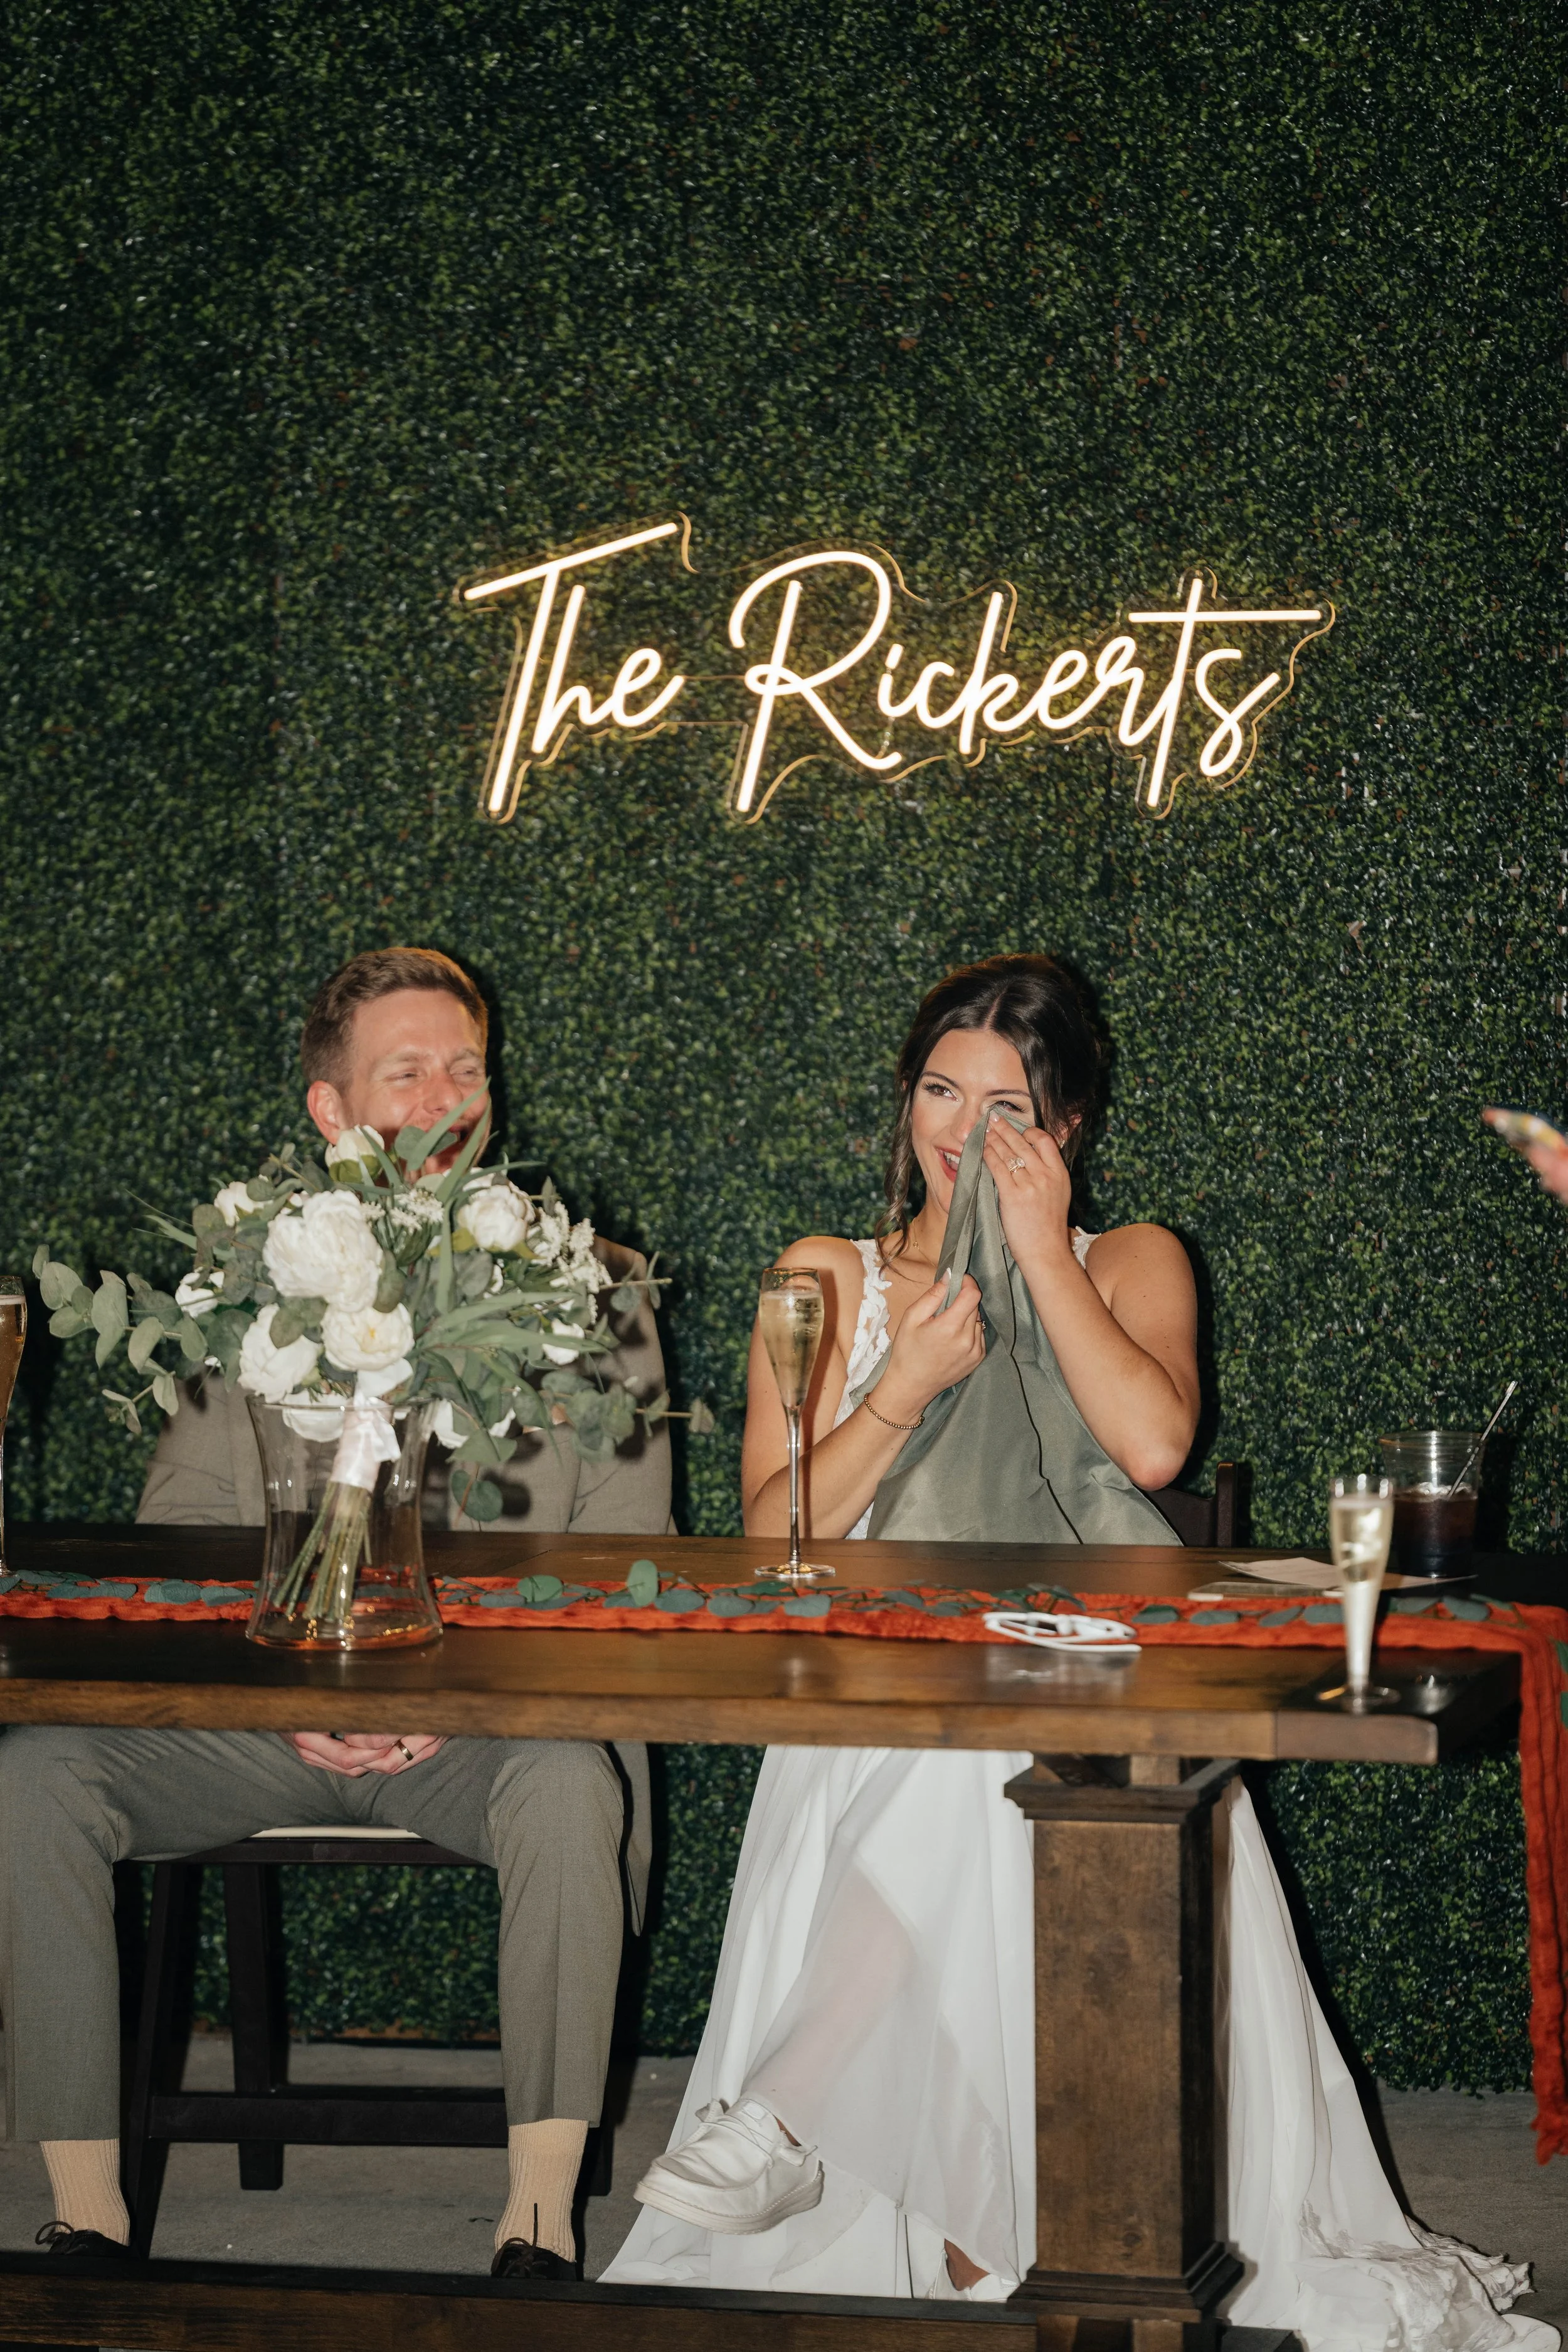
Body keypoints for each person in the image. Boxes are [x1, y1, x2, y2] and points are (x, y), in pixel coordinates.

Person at [605, 955, 1555, 2351]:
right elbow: (768, 1532)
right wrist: (905, 1384)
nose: (962, 1127)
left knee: (1009, 1744)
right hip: (878, 1682)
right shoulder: (821, 1274)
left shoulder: (1132, 1258)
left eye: (1008, 1102)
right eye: (940, 1089)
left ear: (1067, 1125)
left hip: (1096, 1672)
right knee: (966, 1754)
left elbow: (1155, 1447)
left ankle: (800, 2118)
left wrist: (1041, 1253)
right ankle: (975, 2229)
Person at [0, 946, 670, 2282]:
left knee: (567, 1790)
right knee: (34, 1777)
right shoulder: (246, 1275)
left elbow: (624, 1559)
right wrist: (292, 1705)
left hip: (498, 1733)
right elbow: (186, 1546)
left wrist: (451, 1701)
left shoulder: (595, 1281)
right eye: (404, 1070)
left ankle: (537, 2225)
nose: (443, 1096)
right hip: (264, 1722)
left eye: (465, 1067)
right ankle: (86, 2219)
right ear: (329, 1109)